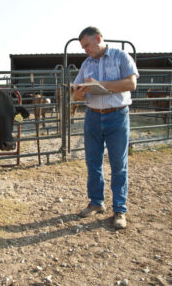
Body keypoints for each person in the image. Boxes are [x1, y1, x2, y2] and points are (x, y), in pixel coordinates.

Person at [73, 26, 139, 229]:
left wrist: (102, 84)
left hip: (117, 115)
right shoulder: (86, 64)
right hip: (92, 116)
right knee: (93, 162)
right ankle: (96, 203)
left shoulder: (121, 57)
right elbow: (76, 92)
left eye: (87, 46)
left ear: (98, 39)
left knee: (119, 164)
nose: (86, 50)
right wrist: (80, 93)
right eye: (83, 47)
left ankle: (119, 209)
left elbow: (131, 83)